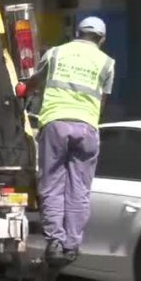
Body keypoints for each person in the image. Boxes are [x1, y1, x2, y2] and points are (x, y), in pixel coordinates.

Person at [26, 16, 116, 267]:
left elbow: (34, 83)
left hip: (55, 123)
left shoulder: (55, 54)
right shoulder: (107, 63)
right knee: (79, 188)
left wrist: (23, 91)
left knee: (52, 184)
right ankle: (71, 244)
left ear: (76, 33)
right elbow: (102, 104)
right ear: (102, 39)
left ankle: (55, 240)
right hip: (87, 127)